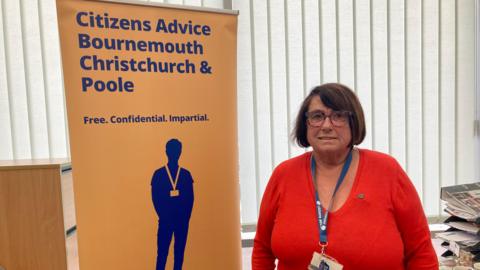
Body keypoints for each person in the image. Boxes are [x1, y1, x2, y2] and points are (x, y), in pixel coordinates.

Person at [252, 83, 438, 270]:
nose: (326, 126)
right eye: (317, 116)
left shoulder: (388, 171)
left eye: (338, 116)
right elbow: (262, 250)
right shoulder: (284, 175)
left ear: (354, 122)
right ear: (305, 124)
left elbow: (421, 253)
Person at [151, 138, 194, 270]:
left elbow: (190, 199)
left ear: (180, 152)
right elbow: (155, 199)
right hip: (166, 221)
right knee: (163, 253)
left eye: (177, 150)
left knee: (179, 253)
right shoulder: (158, 174)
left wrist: (184, 219)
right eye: (173, 150)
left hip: (180, 222)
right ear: (167, 152)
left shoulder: (186, 174)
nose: (175, 153)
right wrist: (165, 216)